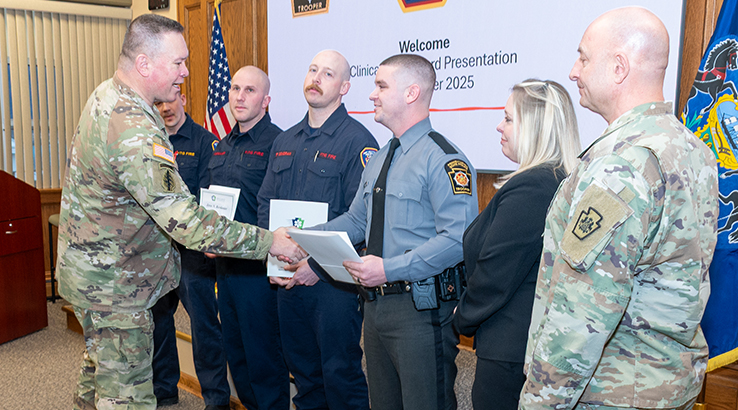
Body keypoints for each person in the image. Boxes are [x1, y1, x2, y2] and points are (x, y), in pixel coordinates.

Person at [56, 14, 302, 410]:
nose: (186, 73)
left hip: (98, 276)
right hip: (115, 287)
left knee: (97, 381)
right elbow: (182, 218)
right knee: (127, 396)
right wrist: (268, 241)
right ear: (144, 64)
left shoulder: (109, 94)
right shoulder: (132, 123)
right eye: (178, 62)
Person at [520, 7, 719, 410]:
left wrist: (540, 402)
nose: (574, 71)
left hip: (609, 394)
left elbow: (581, 312)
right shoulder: (692, 149)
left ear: (618, 67)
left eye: (583, 57)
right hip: (666, 387)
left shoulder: (622, 164)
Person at [303, 53, 478, 410]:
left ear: (411, 93)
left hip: (419, 310)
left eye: (381, 86)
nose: (372, 95)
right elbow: (355, 221)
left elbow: (458, 240)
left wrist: (389, 269)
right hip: (374, 308)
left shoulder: (444, 159)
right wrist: (299, 238)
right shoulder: (382, 156)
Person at [256, 49, 377, 410]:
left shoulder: (359, 142)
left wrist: (316, 266)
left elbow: (363, 219)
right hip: (287, 277)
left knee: (340, 374)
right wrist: (275, 255)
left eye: (327, 74)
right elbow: (266, 203)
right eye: (312, 70)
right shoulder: (285, 141)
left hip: (331, 284)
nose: (316, 78)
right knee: (304, 374)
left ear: (344, 87)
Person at [452, 79, 581, 410]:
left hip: (510, 351)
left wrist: (460, 316)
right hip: (524, 346)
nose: (499, 125)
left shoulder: (533, 188)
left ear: (536, 127)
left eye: (509, 118)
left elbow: (496, 272)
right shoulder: (552, 180)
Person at [208, 65, 289, 410]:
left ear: (266, 100)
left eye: (250, 91)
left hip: (258, 271)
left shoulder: (279, 144)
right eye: (236, 89)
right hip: (224, 268)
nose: (239, 96)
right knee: (236, 354)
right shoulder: (222, 145)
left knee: (264, 360)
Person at [149, 90, 230, 409]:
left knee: (204, 328)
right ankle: (164, 388)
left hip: (191, 256)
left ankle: (216, 399)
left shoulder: (205, 142)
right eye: (159, 104)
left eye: (170, 101)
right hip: (156, 251)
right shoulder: (150, 140)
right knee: (159, 323)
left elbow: (210, 201)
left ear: (183, 97)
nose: (166, 108)